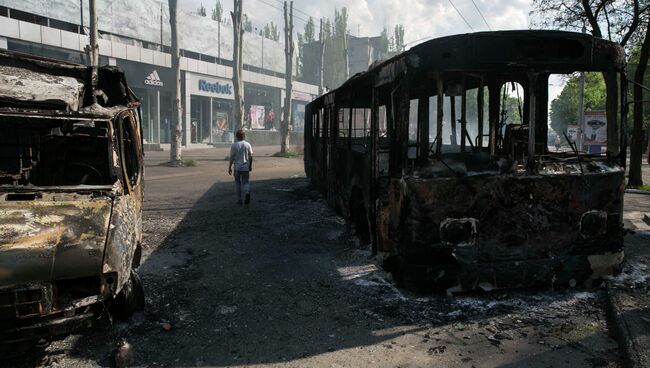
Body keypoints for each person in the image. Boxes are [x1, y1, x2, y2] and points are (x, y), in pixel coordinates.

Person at [228, 130, 254, 205]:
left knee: (237, 183)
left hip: (237, 167)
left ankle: (239, 199)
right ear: (244, 136)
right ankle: (247, 193)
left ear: (236, 137)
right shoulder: (247, 144)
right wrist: (250, 166)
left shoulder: (234, 145)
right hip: (245, 167)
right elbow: (251, 156)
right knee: (246, 182)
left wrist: (229, 167)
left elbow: (232, 157)